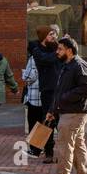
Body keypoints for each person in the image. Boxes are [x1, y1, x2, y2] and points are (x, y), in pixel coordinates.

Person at [44, 36, 87, 174]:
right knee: (78, 145)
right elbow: (60, 91)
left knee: (64, 145)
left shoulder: (79, 65)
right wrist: (53, 110)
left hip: (75, 112)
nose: (57, 52)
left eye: (60, 49)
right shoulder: (67, 65)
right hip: (69, 111)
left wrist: (64, 99)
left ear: (69, 50)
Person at [26, 28, 61, 163]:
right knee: (47, 120)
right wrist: (58, 51)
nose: (53, 36)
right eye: (50, 34)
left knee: (57, 122)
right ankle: (46, 152)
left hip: (59, 89)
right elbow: (46, 60)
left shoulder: (56, 48)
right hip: (47, 90)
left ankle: (39, 149)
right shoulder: (37, 51)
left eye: (54, 34)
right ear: (43, 37)